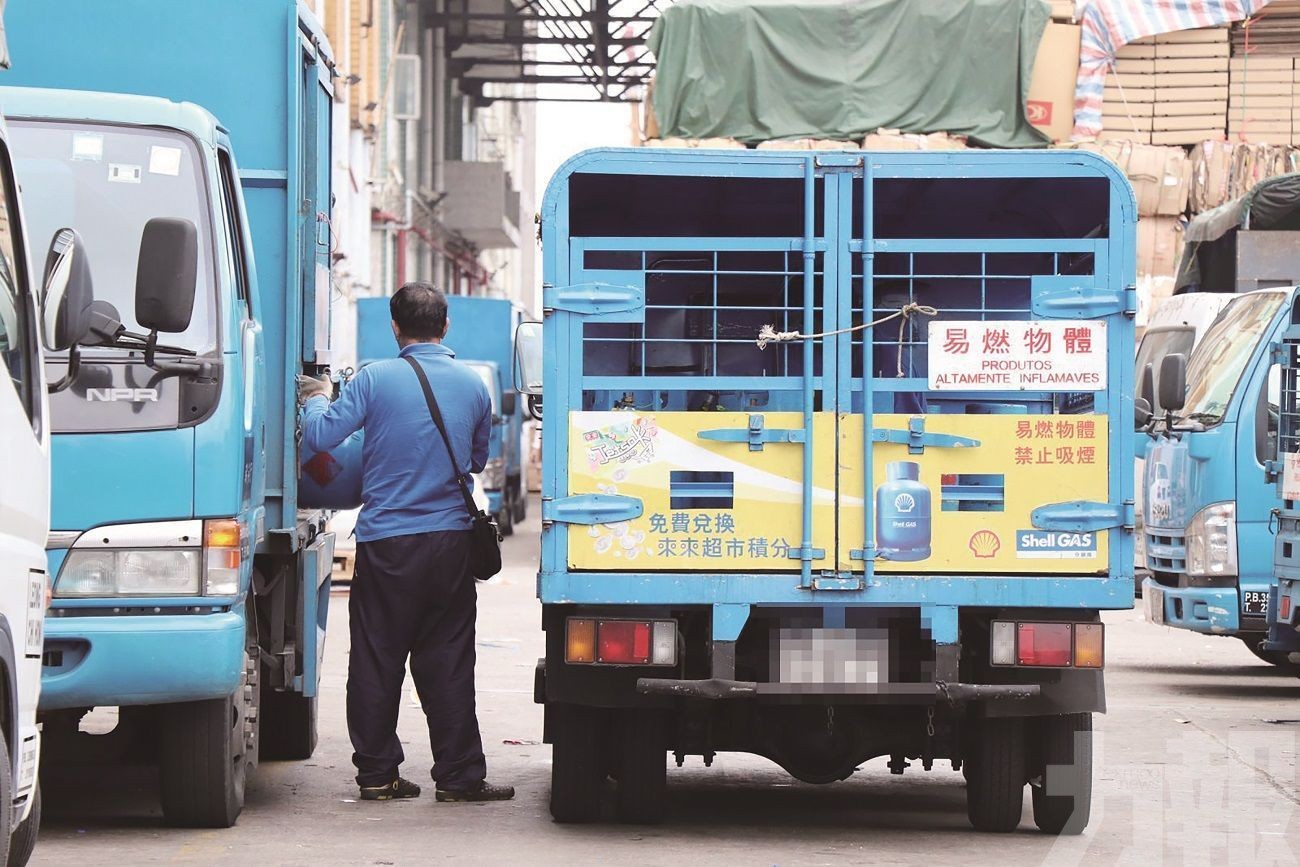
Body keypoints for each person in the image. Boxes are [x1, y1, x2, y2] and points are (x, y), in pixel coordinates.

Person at [298, 282, 514, 804]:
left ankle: (377, 774)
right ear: (446, 326)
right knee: (449, 661)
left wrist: (315, 400)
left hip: (388, 544)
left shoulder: (374, 380)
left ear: (395, 327)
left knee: (377, 659)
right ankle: (460, 777)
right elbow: (478, 461)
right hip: (449, 544)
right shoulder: (473, 386)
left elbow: (320, 438)